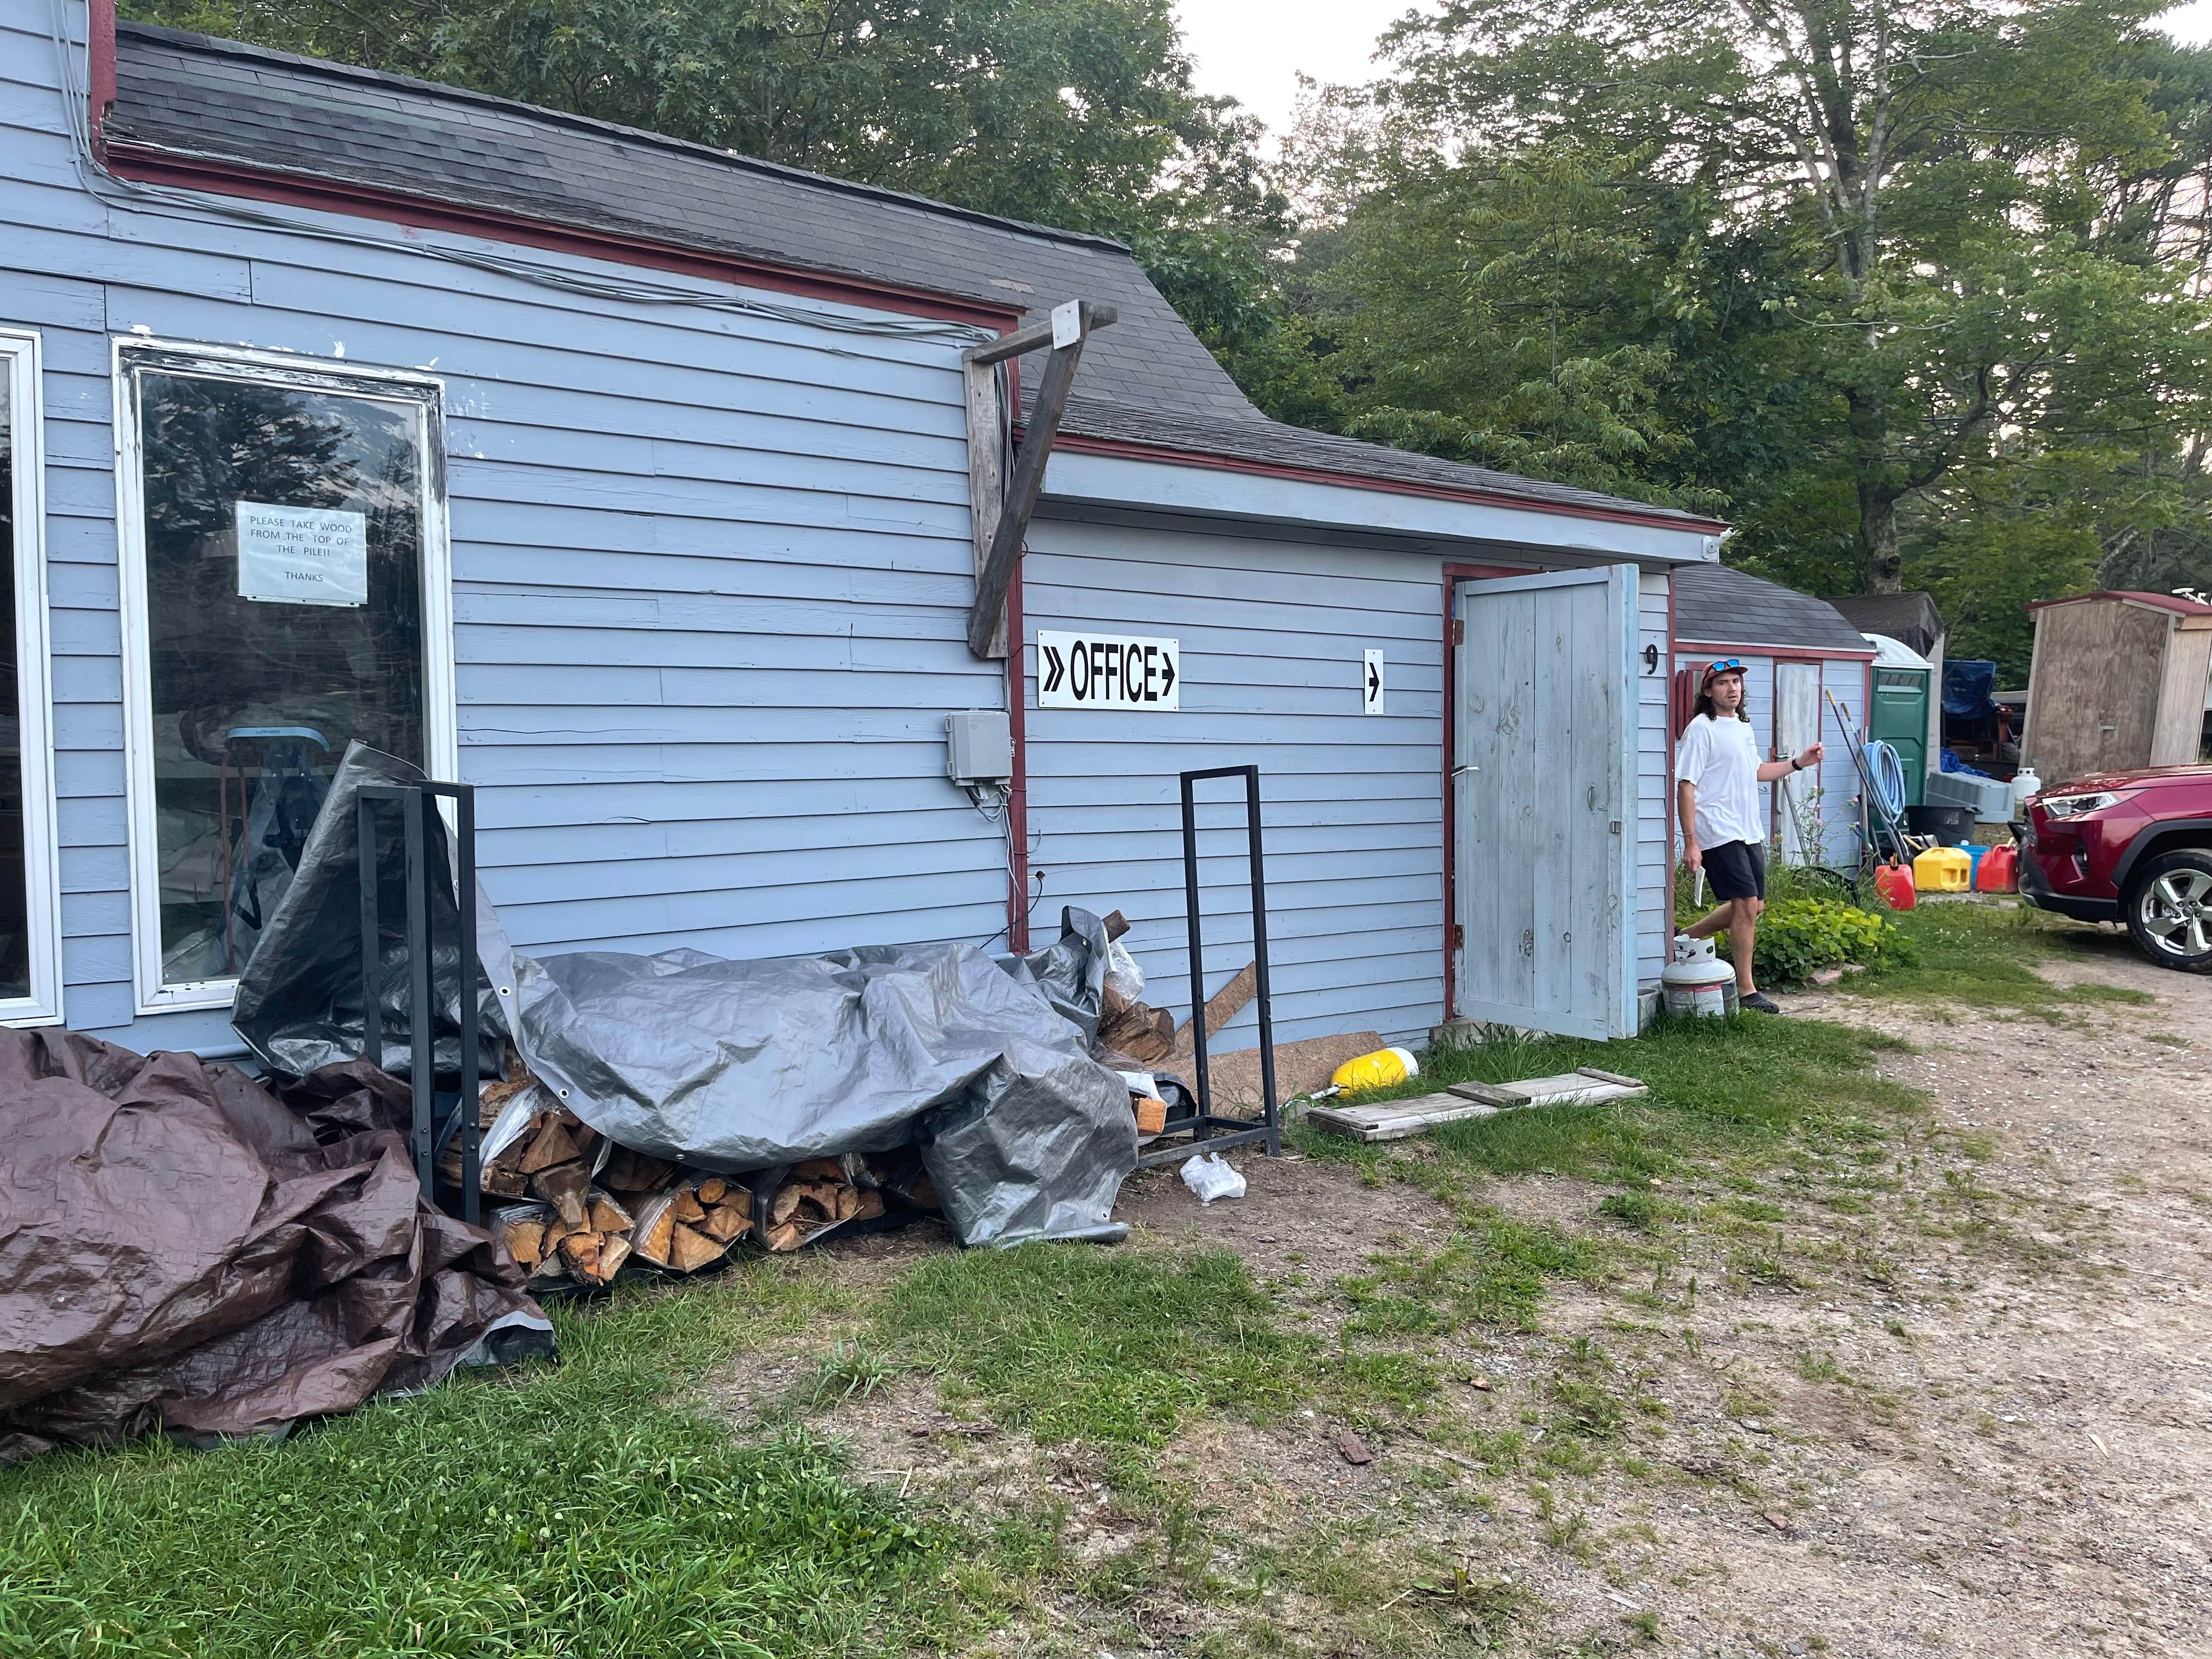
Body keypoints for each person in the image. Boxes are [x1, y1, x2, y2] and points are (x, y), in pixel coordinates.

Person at [1675, 658, 1822, 1014]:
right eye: (1723, 683)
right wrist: (1691, 841)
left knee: (1755, 906)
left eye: (1736, 682)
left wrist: (1799, 762)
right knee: (1744, 904)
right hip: (1716, 829)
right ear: (1708, 691)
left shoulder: (1743, 727)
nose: (1732, 688)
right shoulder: (1701, 729)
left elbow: (1757, 770)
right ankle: (1747, 991)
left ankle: (1685, 937)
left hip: (1747, 829)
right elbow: (1686, 785)